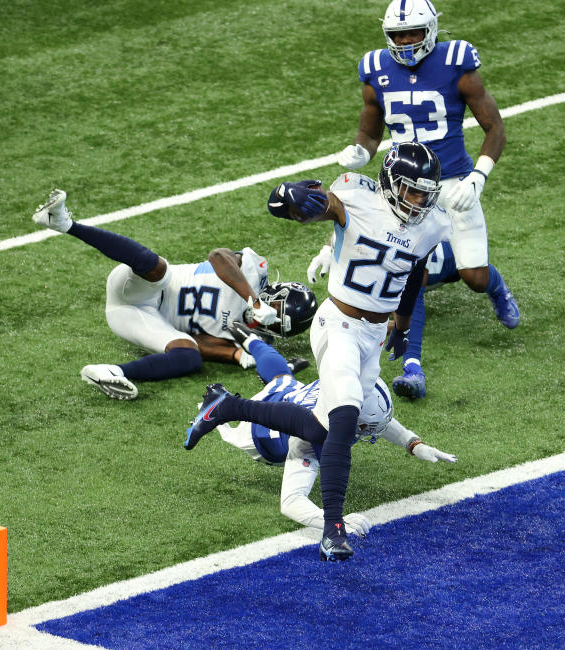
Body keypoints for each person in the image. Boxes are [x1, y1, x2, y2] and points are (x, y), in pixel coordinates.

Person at [190, 142, 451, 561]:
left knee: (321, 431)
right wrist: (290, 198)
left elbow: (414, 274)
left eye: (426, 193)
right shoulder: (355, 196)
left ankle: (227, 406)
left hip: (373, 334)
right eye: (412, 190)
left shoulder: (433, 224)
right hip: (338, 324)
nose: (420, 201)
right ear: (388, 183)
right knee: (346, 414)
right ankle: (333, 530)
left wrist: (401, 329)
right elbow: (302, 206)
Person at [335, 0, 521, 350]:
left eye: (412, 33)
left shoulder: (456, 63)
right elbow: (372, 131)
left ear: (431, 30)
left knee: (475, 277)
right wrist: (361, 150)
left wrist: (477, 178)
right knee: (403, 268)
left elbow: (495, 128)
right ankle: (409, 357)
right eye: (397, 34)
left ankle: (496, 287)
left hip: (452, 180)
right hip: (402, 190)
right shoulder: (375, 69)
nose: (405, 41)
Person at [31, 189, 316, 400]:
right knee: (160, 270)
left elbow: (201, 342)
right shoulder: (254, 271)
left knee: (189, 357)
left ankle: (111, 371)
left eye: (279, 327)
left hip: (135, 317)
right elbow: (218, 256)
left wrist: (236, 353)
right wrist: (251, 299)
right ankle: (64, 223)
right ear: (275, 292)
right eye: (277, 312)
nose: (270, 323)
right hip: (139, 285)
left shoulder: (256, 339)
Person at [202, 327, 456, 537]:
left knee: (281, 376)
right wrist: (334, 521)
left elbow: (376, 419)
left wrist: (412, 442)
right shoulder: (310, 438)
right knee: (283, 385)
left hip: (289, 392)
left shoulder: (346, 385)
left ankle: (250, 338)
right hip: (257, 435)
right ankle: (223, 401)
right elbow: (291, 503)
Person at [309, 239, 460, 399]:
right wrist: (329, 246)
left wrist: (401, 330)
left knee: (476, 278)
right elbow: (347, 217)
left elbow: (412, 288)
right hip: (391, 259)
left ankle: (413, 369)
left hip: (438, 261)